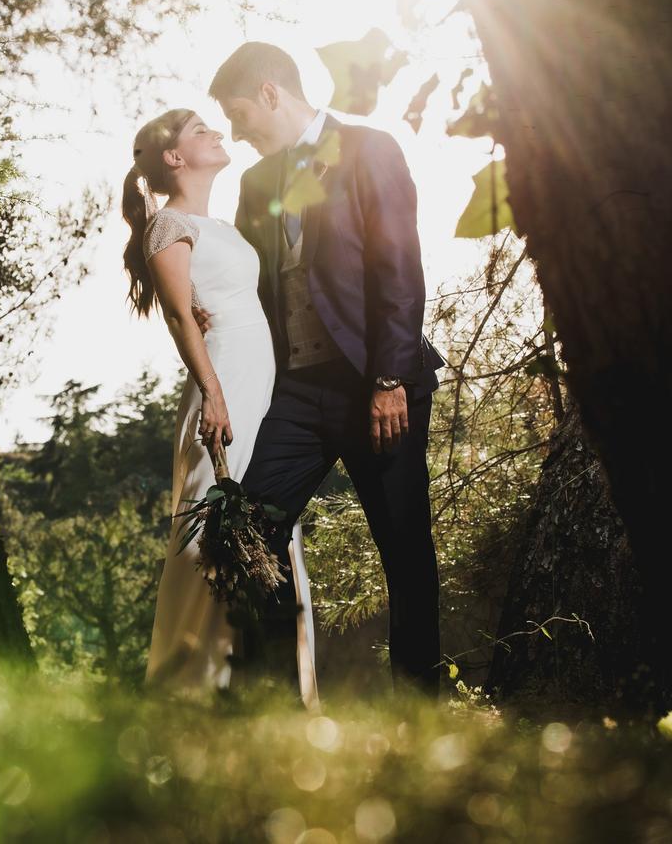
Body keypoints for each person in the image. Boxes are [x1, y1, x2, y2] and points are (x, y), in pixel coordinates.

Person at [196, 42, 448, 700]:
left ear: (273, 93)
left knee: (405, 550)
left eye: (240, 112)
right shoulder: (254, 186)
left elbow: (398, 269)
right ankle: (273, 704)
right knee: (248, 530)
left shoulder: (370, 150)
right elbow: (257, 286)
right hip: (299, 392)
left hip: (374, 383)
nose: (237, 130)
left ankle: (422, 705)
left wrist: (390, 379)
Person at [125, 108, 320, 711]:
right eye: (199, 130)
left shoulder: (228, 229)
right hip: (223, 383)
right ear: (174, 159)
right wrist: (211, 390)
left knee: (266, 524)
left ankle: (268, 685)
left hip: (261, 385)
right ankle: (194, 685)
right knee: (212, 526)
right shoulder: (168, 226)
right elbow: (182, 314)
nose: (217, 133)